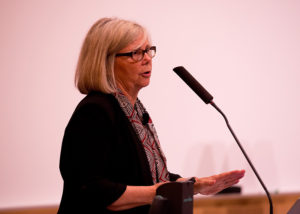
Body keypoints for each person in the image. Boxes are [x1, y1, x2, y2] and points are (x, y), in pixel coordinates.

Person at [57, 17, 245, 214]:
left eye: (148, 50)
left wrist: (196, 185)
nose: (147, 58)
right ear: (106, 62)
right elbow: (91, 188)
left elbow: (148, 178)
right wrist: (156, 192)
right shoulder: (95, 112)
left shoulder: (133, 110)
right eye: (136, 53)